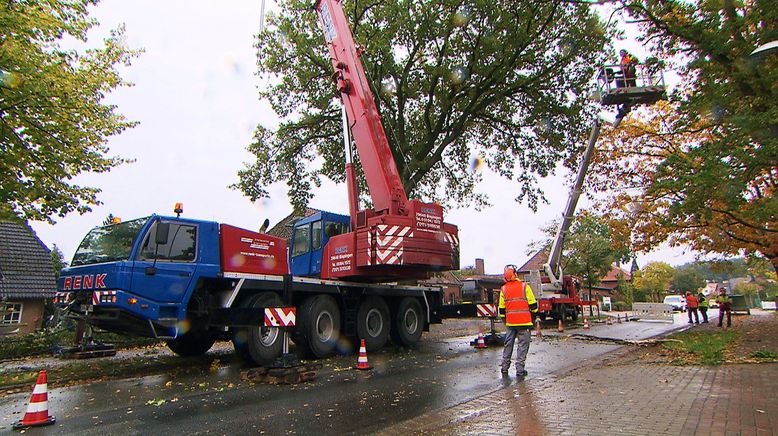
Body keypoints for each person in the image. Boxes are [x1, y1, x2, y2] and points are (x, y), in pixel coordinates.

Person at [499, 265, 538, 377]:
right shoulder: (524, 286)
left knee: (508, 345)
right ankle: (520, 370)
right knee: (522, 346)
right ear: (515, 274)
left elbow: (501, 309)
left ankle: (504, 367)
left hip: (511, 323)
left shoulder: (504, 289)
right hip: (524, 322)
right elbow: (533, 305)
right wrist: (534, 314)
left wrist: (505, 320)